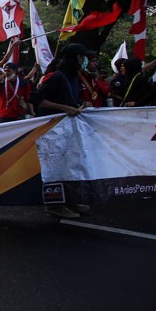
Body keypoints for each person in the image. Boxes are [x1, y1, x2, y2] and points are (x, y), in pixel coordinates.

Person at [36, 43, 93, 218]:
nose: (85, 61)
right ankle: (54, 204)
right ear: (76, 57)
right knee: (54, 169)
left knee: (70, 165)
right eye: (83, 57)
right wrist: (64, 108)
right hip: (53, 131)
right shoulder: (55, 77)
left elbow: (69, 100)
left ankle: (70, 200)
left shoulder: (73, 77)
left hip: (68, 131)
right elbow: (38, 100)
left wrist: (80, 106)